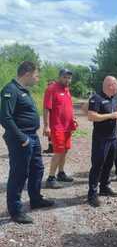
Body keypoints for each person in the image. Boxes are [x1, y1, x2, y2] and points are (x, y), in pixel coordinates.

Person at [0, 61, 54, 224]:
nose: (38, 78)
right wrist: (21, 138)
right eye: (36, 75)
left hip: (32, 136)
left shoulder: (23, 90)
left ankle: (35, 199)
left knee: (37, 168)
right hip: (21, 139)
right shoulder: (10, 90)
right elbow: (5, 117)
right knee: (19, 173)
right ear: (27, 74)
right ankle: (15, 211)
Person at [87, 76, 117, 206]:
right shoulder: (96, 98)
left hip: (113, 137)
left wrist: (116, 119)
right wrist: (110, 116)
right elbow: (91, 116)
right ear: (110, 85)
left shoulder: (114, 98)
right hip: (101, 138)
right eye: (116, 85)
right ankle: (92, 193)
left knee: (109, 164)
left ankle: (104, 187)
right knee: (97, 165)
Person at [43, 69, 77, 189]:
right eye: (65, 77)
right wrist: (46, 126)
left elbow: (67, 107)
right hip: (57, 127)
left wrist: (73, 119)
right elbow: (46, 108)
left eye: (69, 78)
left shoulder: (67, 90)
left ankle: (61, 173)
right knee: (58, 151)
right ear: (59, 77)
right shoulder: (51, 89)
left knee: (65, 150)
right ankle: (50, 178)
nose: (67, 80)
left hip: (67, 126)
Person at [43, 80, 55, 154]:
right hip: (50, 115)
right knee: (50, 134)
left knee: (53, 133)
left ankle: (54, 149)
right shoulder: (49, 91)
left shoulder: (54, 91)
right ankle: (51, 148)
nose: (49, 85)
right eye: (48, 84)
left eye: (51, 83)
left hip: (54, 116)